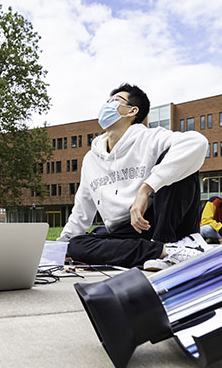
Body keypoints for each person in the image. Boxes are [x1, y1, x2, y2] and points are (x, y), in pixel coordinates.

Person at [57, 83, 209, 271]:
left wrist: (146, 188)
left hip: (164, 222)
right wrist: (60, 246)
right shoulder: (91, 159)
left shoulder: (152, 138)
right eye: (107, 101)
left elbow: (197, 142)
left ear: (132, 111)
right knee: (76, 246)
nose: (107, 105)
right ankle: (165, 252)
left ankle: (171, 244)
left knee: (180, 161)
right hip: (126, 233)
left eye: (114, 100)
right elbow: (82, 209)